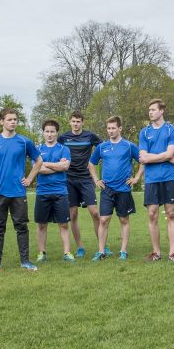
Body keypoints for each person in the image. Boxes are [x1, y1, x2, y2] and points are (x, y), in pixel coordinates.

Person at [0, 108, 44, 272]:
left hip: (18, 192)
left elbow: (39, 160)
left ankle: (25, 261)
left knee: (21, 227)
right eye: (9, 119)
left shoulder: (25, 141)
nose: (13, 122)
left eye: (15, 119)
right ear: (1, 121)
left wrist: (29, 179)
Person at [88, 116, 142, 261]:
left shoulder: (129, 146)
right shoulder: (102, 147)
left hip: (123, 189)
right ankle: (101, 252)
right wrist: (96, 179)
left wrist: (136, 178)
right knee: (104, 220)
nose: (110, 131)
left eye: (113, 128)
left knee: (124, 220)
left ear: (120, 128)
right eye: (108, 128)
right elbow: (91, 163)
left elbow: (142, 162)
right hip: (107, 189)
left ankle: (123, 251)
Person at [139, 99, 174, 261]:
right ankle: (156, 252)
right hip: (151, 179)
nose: (150, 112)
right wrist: (164, 157)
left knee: (170, 214)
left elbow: (170, 154)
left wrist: (151, 158)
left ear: (161, 111)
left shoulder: (172, 130)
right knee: (152, 214)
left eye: (153, 109)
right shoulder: (144, 132)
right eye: (149, 110)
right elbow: (143, 156)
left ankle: (172, 252)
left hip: (168, 178)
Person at [57, 111, 103, 258]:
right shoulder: (63, 138)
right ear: (70, 122)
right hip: (69, 180)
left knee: (95, 212)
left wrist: (95, 165)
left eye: (78, 121)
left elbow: (104, 149)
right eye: (73, 121)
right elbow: (53, 150)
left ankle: (102, 245)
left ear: (82, 122)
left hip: (86, 179)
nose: (76, 124)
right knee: (73, 214)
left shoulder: (90, 136)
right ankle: (80, 247)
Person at [34, 119, 74, 263]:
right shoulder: (37, 150)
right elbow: (38, 169)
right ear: (43, 133)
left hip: (60, 191)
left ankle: (67, 253)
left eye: (52, 131)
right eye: (47, 131)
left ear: (57, 133)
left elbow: (65, 167)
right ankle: (42, 253)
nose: (49, 134)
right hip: (42, 192)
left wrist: (46, 164)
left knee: (63, 224)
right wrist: (57, 165)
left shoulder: (64, 149)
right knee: (41, 224)